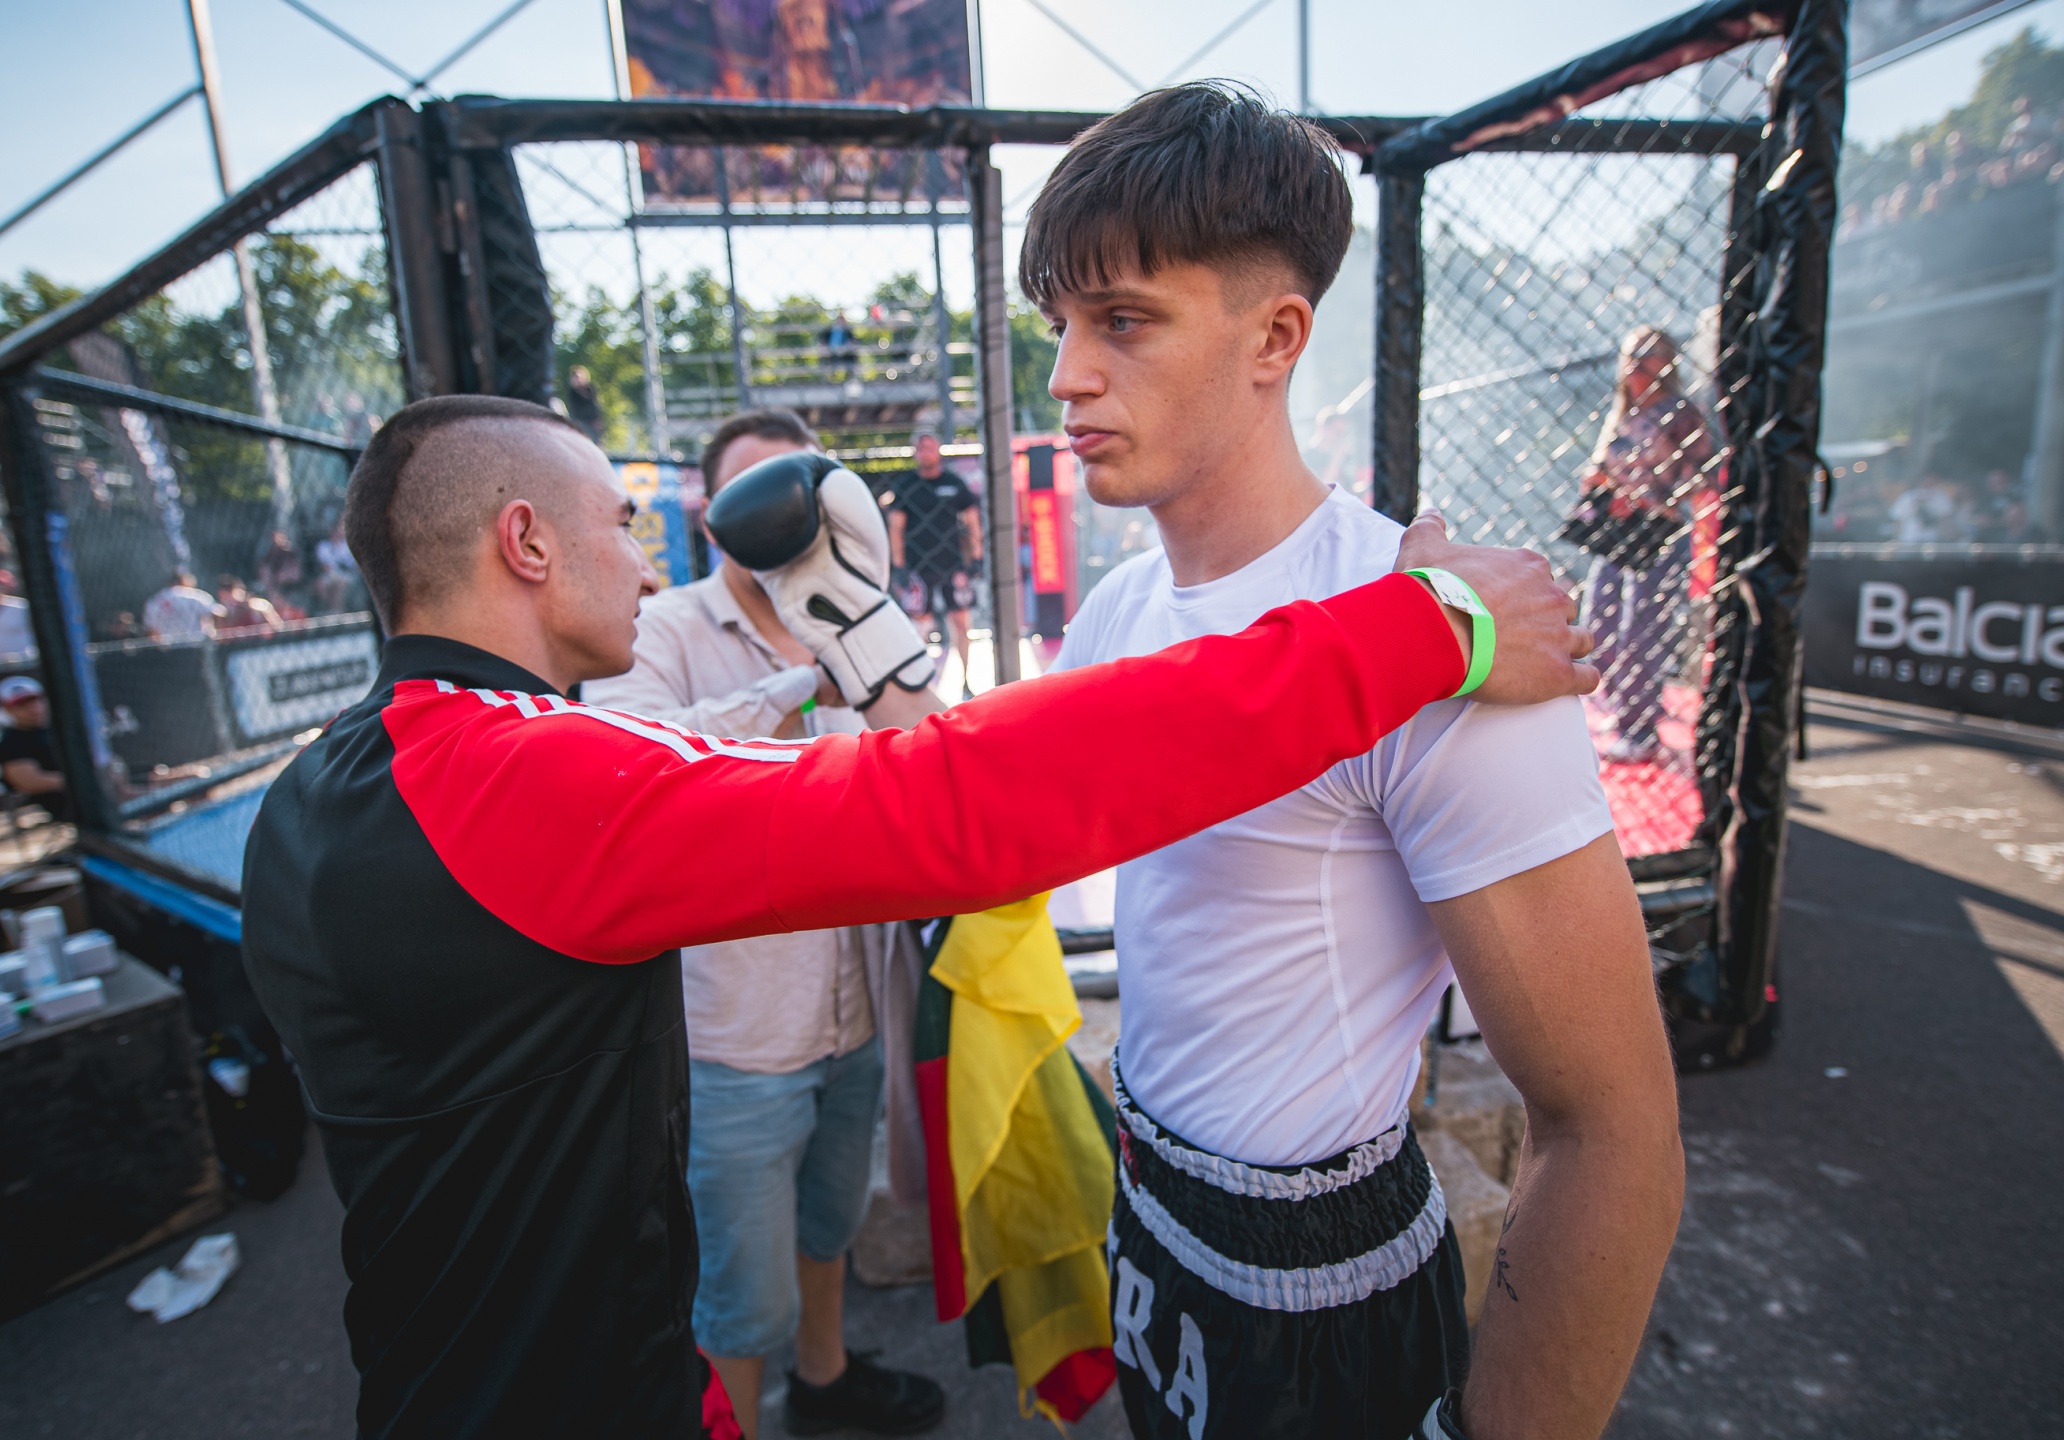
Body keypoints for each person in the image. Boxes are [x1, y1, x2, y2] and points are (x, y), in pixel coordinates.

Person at [239, 392, 1596, 1439]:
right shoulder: (513, 782)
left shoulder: (325, 795)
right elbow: (960, 797)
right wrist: (1423, 628)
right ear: (524, 542)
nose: (646, 568)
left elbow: (695, 776)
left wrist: (848, 629)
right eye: (617, 524)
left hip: (442, 1373)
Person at [1025, 84, 1683, 1440]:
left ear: (1276, 336)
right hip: (1149, 1215)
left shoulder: (1444, 644)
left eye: (1123, 320)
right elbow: (974, 819)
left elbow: (1614, 1132)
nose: (1067, 376)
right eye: (1061, 325)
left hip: (1326, 1304)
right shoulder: (1116, 614)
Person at [585, 407, 941, 1438]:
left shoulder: (852, 612)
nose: (781, 517)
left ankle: (824, 1383)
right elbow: (638, 765)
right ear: (715, 512)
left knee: (828, 1229)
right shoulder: (660, 627)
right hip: (738, 1038)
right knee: (740, 1298)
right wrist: (803, 683)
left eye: (799, 492)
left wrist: (862, 633)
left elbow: (930, 756)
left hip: (853, 1012)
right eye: (755, 495)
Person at [1575, 326, 1721, 763]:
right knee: (1597, 624)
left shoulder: (1679, 412)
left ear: (1668, 361)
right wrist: (1598, 482)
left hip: (1659, 530)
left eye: (1649, 352)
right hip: (1617, 530)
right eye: (1631, 353)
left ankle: (1638, 730)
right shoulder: (1622, 412)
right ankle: (1622, 706)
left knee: (1640, 631)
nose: (1637, 361)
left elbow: (1705, 476)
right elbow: (1605, 470)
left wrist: (1655, 496)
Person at [885, 432, 983, 680]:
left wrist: (976, 557)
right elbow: (895, 528)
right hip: (918, 566)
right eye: (921, 448)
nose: (925, 452)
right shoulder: (906, 485)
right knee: (921, 627)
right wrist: (899, 566)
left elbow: (972, 521)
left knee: (962, 625)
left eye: (929, 447)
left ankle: (966, 679)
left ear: (938, 449)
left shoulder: (954, 483)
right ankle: (922, 680)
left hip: (953, 564)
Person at [0, 676, 69, 824]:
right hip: (67, 803)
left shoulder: (62, 727)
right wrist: (79, 780)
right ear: (7, 710)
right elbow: (31, 781)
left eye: (36, 701)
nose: (33, 709)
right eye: (22, 705)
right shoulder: (10, 743)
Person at [142, 572, 223, 642]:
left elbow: (150, 629)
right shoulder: (194, 595)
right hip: (194, 644)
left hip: (168, 647)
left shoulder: (156, 600)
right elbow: (219, 612)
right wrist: (215, 633)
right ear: (185, 581)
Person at [314, 522, 358, 613]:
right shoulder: (323, 546)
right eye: (333, 532)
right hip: (330, 574)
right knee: (321, 585)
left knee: (338, 585)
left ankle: (337, 611)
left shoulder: (347, 546)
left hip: (346, 574)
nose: (336, 534)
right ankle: (325, 609)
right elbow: (324, 565)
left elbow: (352, 565)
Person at [216, 576, 282, 633]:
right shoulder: (223, 614)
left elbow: (277, 626)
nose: (229, 602)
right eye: (225, 599)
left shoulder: (258, 606)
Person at [564, 365, 607, 444]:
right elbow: (574, 409)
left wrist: (598, 419)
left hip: (593, 422)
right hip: (580, 422)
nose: (577, 380)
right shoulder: (572, 393)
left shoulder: (591, 389)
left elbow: (595, 405)